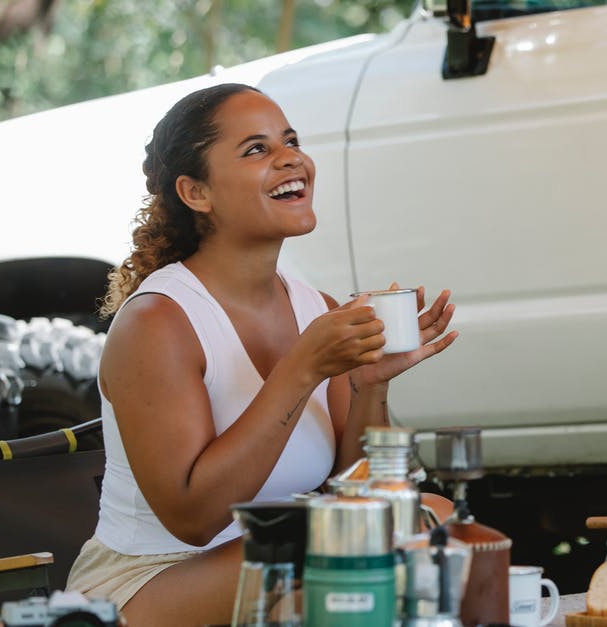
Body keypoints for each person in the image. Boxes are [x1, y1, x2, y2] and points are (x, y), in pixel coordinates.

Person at [65, 83, 459, 627]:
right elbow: (195, 520)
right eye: (257, 149)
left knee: (432, 517)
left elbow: (359, 489)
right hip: (152, 580)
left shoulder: (311, 305)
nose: (290, 158)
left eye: (290, 141)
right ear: (196, 193)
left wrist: (370, 384)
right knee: (340, 556)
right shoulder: (158, 322)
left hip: (289, 560)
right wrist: (301, 369)